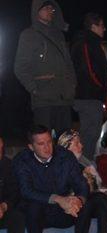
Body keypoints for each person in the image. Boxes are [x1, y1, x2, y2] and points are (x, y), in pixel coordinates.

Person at [14, 0, 76, 135]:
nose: (50, 11)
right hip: (44, 100)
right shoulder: (29, 35)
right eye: (46, 8)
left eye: (52, 8)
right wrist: (35, 89)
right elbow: (20, 67)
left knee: (65, 142)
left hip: (63, 98)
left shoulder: (59, 34)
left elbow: (68, 63)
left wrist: (72, 85)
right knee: (43, 142)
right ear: (37, 10)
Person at [71, 13, 107, 159]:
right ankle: (83, 166)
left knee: (92, 133)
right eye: (102, 25)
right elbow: (87, 70)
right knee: (89, 134)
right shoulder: (86, 43)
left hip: (92, 95)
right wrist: (103, 86)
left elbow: (96, 69)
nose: (104, 29)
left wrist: (106, 78)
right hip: (87, 95)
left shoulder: (92, 43)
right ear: (93, 26)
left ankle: (85, 165)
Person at [0, 137, 27, 233]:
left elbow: (15, 192)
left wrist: (4, 206)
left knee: (17, 216)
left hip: (2, 211)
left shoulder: (7, 165)